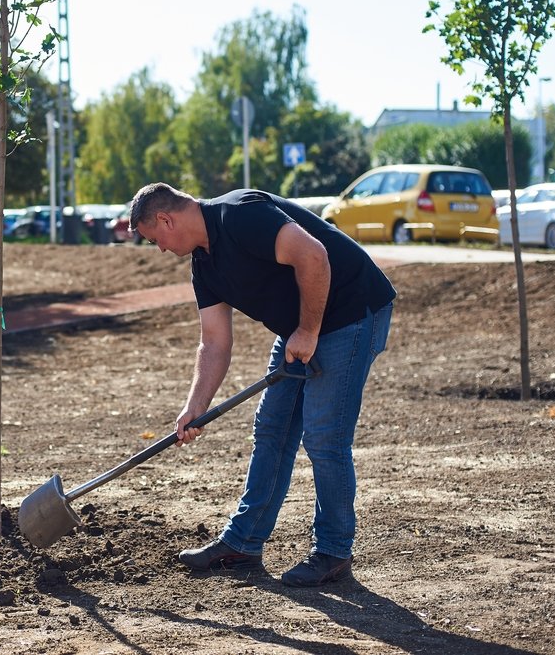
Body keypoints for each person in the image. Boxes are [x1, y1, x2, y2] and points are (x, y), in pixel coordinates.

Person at [129, 183, 395, 588]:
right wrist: (195, 406)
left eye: (155, 239)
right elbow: (214, 342)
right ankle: (243, 543)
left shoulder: (240, 213)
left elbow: (313, 255)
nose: (161, 249)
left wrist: (308, 331)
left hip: (351, 312)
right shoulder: (204, 266)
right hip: (300, 327)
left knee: (324, 436)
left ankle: (334, 552)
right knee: (272, 428)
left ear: (166, 219)